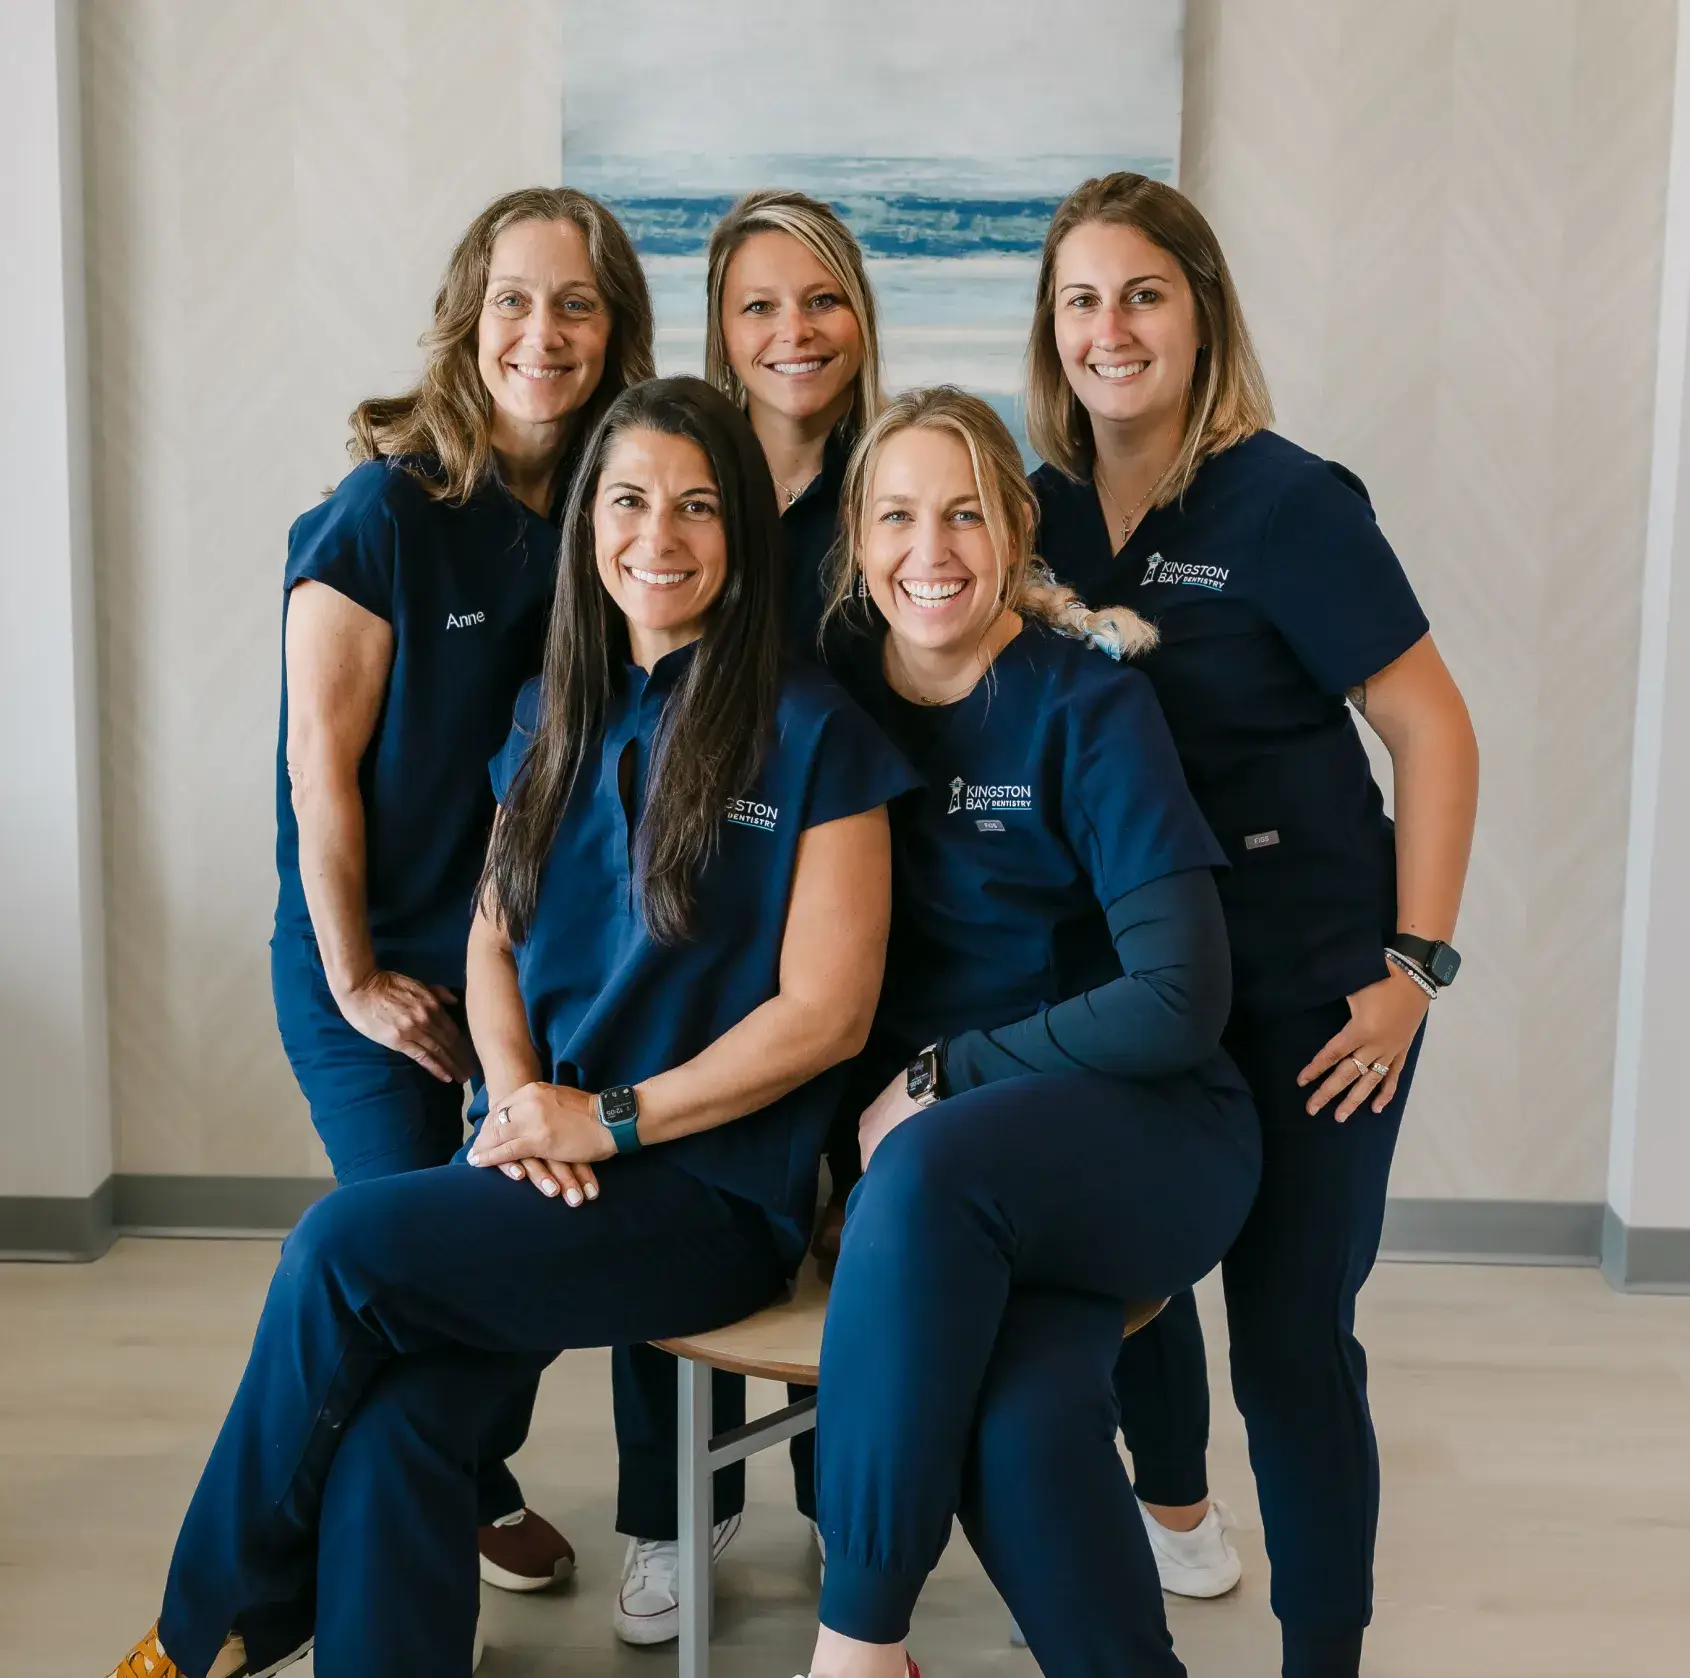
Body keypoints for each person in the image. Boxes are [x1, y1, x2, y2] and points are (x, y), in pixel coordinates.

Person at [103, 377, 916, 1678]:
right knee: (398, 1429)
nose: (662, 532)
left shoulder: (815, 729)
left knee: (341, 1247)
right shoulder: (555, 707)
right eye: (632, 498)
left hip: (705, 1196)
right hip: (544, 1154)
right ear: (590, 519)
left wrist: (607, 1117)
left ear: (743, 536)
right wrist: (517, 1100)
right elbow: (493, 931)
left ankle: (208, 1628)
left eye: (700, 505)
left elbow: (828, 1015)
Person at [1026, 173, 1479, 1678]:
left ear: (1200, 309)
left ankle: (1321, 1656)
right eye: (1081, 298)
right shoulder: (1033, 517)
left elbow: (1431, 729)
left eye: (1142, 292)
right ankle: (1156, 1551)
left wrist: (1414, 970)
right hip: (1141, 995)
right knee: (1124, 1310)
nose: (1111, 328)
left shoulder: (1287, 501)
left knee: (1288, 1345)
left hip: (1313, 1001)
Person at [799, 386, 1263, 1678]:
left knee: (933, 1159)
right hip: (962, 1188)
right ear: (856, 531)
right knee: (1025, 1415)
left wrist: (951, 1071)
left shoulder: (1084, 707)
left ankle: (857, 1646)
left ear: (1013, 525)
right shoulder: (825, 692)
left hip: (1146, 1132)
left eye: (962, 512)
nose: (928, 548)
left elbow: (1179, 997)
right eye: (895, 514)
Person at [270, 185, 654, 1610]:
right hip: (362, 959)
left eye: (573, 302)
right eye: (513, 298)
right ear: (466, 316)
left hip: (518, 964)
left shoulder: (607, 521)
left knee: (520, 1246)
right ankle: (349, 1554)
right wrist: (362, 979)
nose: (540, 332)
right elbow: (323, 773)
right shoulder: (381, 512)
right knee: (400, 1262)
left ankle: (465, 1468)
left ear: (612, 329)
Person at [610, 188, 886, 1644]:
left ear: (860, 315)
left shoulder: (893, 480)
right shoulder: (674, 481)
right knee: (656, 1163)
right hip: (691, 924)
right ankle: (666, 1516)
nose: (793, 332)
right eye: (758, 304)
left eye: (820, 298)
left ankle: (854, 1523)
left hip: (855, 908)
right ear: (718, 324)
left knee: (854, 1238)